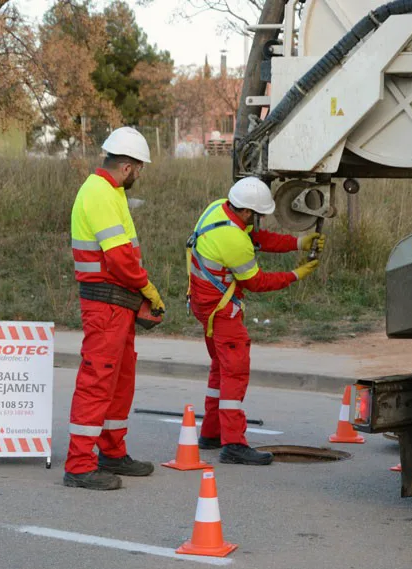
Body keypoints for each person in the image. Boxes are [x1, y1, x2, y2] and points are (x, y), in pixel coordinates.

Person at [187, 176, 324, 465]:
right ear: (247, 212)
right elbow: (256, 282)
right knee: (235, 372)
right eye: (258, 215)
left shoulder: (218, 209)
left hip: (205, 305)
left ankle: (211, 433)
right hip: (222, 312)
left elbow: (256, 239)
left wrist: (298, 243)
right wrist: (295, 275)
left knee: (220, 370)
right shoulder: (233, 240)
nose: (259, 220)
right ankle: (234, 444)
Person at [64, 126, 165, 490]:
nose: (140, 174)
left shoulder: (111, 191)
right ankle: (79, 466)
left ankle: (112, 452)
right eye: (139, 168)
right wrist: (147, 288)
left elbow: (122, 257)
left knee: (119, 383)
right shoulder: (101, 194)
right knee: (97, 383)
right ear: (127, 167)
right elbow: (121, 258)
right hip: (105, 305)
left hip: (117, 305)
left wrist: (138, 297)